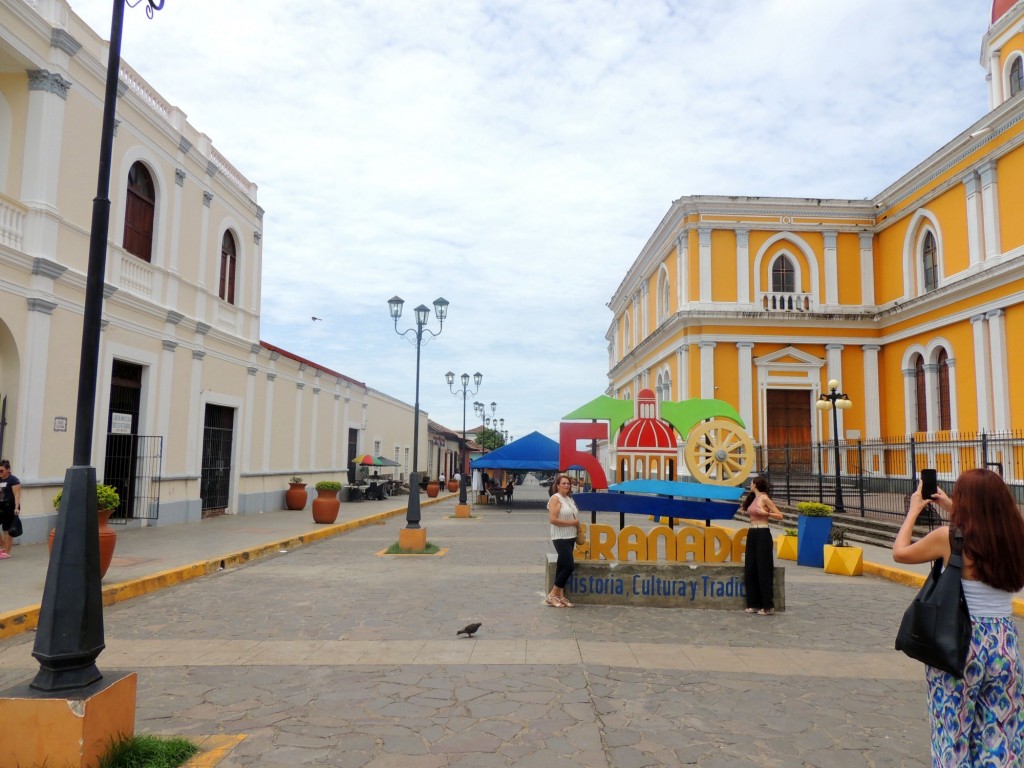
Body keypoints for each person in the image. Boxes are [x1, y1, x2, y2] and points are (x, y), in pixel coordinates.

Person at [893, 468, 1024, 766]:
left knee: (951, 736)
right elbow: (984, 526)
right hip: (1004, 645)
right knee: (1001, 739)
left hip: (959, 643)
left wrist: (914, 510)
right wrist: (952, 507)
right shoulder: (1016, 537)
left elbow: (900, 552)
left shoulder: (948, 538)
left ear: (964, 501)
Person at [740, 476, 783, 615]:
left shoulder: (764, 498)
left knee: (763, 568)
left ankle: (768, 606)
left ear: (755, 485)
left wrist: (766, 513)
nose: (750, 485)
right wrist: (744, 508)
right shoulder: (753, 498)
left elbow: (780, 515)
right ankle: (754, 604)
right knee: (750, 567)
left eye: (751, 483)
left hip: (763, 533)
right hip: (752, 532)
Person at [546, 474, 580, 608]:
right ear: (558, 485)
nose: (566, 485)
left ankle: (560, 596)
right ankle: (552, 594)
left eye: (568, 483)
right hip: (560, 537)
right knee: (569, 565)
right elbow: (553, 520)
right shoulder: (556, 499)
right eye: (563, 483)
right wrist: (572, 523)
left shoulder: (569, 499)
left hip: (571, 536)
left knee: (561, 566)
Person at [0, 459, 21, 559]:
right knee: (4, 530)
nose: (0, 472)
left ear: (8, 470)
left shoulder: (13, 480)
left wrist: (16, 507)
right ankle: (3, 547)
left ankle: (7, 552)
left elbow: (17, 495)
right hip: (1, 506)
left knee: (7, 530)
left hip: (10, 507)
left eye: (2, 470)